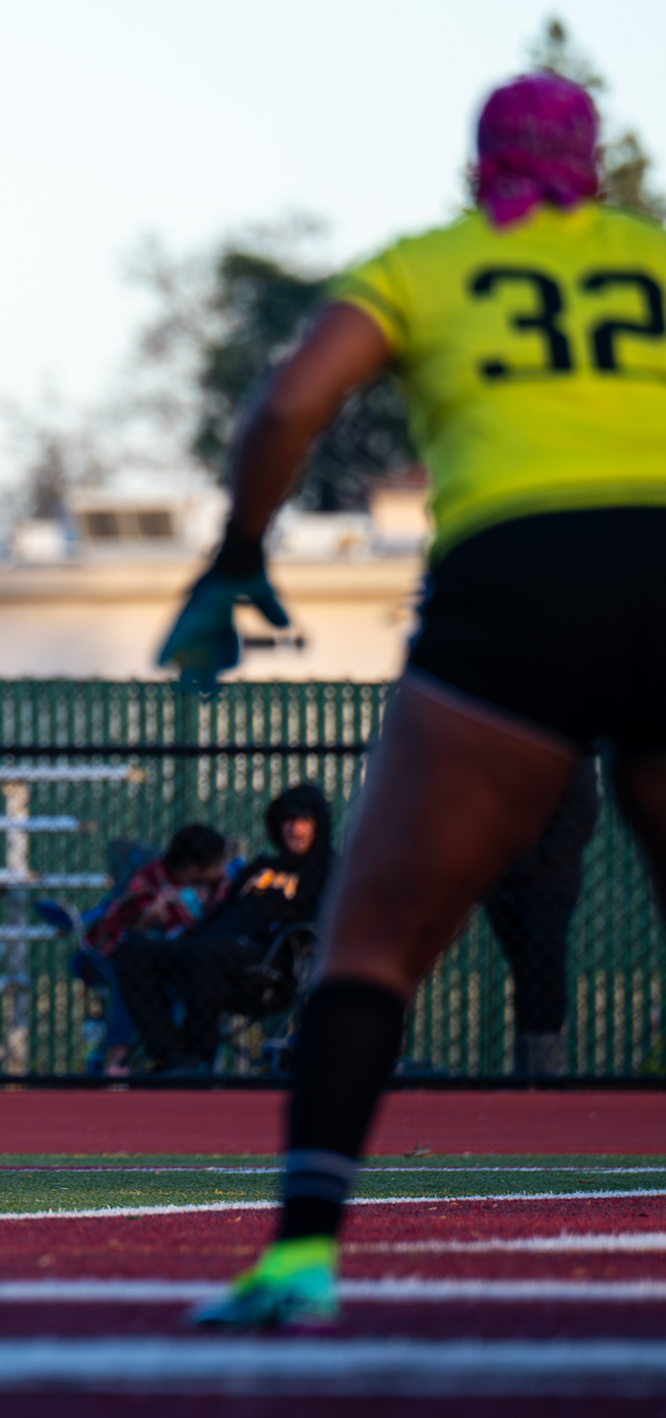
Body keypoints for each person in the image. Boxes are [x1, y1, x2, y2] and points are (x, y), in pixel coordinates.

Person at [170, 74, 666, 1329]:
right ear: (594, 168)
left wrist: (239, 550)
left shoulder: (428, 262)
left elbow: (289, 401)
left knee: (376, 943)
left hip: (515, 576)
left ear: (475, 169)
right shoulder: (649, 257)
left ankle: (300, 1255)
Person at [115, 788, 331, 1073]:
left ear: (318, 825)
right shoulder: (260, 866)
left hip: (268, 967)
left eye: (303, 821)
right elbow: (220, 910)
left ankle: (199, 1056)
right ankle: (172, 1055)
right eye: (288, 821)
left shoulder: (328, 870)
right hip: (212, 948)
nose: (294, 829)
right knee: (132, 949)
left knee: (209, 954)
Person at [75, 823, 230, 1075]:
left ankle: (188, 1058)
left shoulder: (219, 887)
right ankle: (121, 1055)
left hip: (193, 961)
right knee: (128, 970)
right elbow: (120, 929)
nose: (220, 870)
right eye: (214, 865)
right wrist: (145, 922)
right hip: (146, 960)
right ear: (192, 869)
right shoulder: (151, 881)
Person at [484, 757, 599, 1076]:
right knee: (525, 965)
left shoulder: (570, 751)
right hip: (502, 878)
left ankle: (547, 1068)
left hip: (550, 880)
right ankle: (530, 1068)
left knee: (543, 959)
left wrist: (541, 862)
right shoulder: (495, 744)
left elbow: (582, 810)